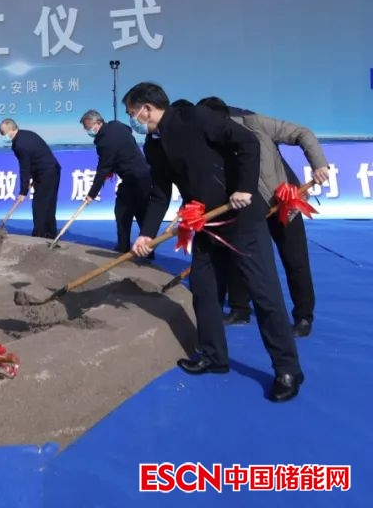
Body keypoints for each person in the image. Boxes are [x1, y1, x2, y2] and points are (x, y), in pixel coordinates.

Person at [125, 82, 303, 402]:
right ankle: (213, 356)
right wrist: (147, 234)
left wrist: (244, 187)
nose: (132, 120)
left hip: (241, 218)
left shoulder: (195, 117)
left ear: (146, 109)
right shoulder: (154, 145)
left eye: (132, 113)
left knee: (264, 294)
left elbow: (247, 141)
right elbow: (160, 192)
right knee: (204, 290)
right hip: (206, 223)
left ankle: (287, 368)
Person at [197, 97, 329, 337]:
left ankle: (303, 316)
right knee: (241, 257)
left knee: (295, 260)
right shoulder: (207, 139)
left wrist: (319, 165)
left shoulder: (254, 122)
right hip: (246, 207)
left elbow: (303, 133)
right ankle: (240, 309)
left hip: (283, 202)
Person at [79, 109, 153, 254]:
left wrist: (92, 194)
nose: (87, 131)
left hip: (133, 178)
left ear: (98, 123)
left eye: (88, 127)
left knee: (122, 212)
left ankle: (123, 247)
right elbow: (126, 134)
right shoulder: (116, 125)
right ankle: (148, 249)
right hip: (145, 175)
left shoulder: (105, 142)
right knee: (141, 212)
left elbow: (103, 169)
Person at [0, 119, 61, 239]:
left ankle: (40, 235)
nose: (2, 136)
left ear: (11, 130)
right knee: (48, 205)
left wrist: (23, 191)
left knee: (40, 205)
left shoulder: (20, 145)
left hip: (46, 173)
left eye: (3, 133)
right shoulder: (26, 134)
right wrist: (33, 177)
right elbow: (34, 159)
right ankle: (50, 233)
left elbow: (25, 168)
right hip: (52, 170)